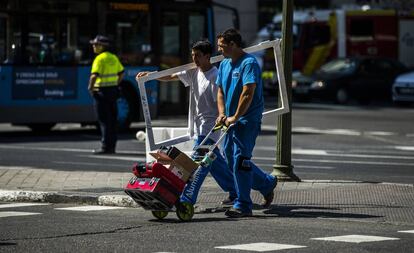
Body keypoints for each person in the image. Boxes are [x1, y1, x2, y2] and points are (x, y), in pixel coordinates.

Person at [136, 40, 276, 207]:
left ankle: (187, 199)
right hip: (199, 126)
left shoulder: (216, 75)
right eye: (193, 55)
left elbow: (223, 98)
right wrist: (150, 75)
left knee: (199, 163)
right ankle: (261, 184)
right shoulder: (193, 72)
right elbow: (171, 76)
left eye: (198, 56)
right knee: (217, 164)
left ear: (208, 56)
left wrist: (224, 117)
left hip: (213, 127)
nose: (194, 59)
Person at [215, 28, 277, 218]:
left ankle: (243, 204)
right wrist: (223, 114)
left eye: (222, 46)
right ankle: (266, 183)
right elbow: (220, 92)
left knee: (241, 159)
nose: (219, 50)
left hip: (247, 119)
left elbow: (248, 92)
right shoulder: (225, 64)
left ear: (233, 45)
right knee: (232, 158)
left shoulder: (249, 63)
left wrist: (235, 117)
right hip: (230, 119)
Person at [88, 35, 124, 154]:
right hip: (113, 91)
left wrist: (91, 88)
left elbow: (94, 75)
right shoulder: (113, 57)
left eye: (95, 44)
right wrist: (115, 84)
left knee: (104, 120)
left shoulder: (99, 59)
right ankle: (112, 147)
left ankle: (105, 147)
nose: (93, 46)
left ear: (102, 46)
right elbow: (121, 73)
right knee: (112, 120)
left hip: (101, 92)